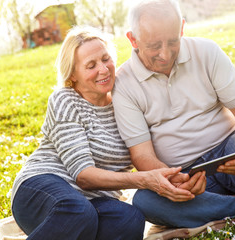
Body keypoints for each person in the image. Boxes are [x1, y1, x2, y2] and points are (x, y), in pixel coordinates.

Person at [112, 0, 235, 228]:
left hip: (230, 151)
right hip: (183, 174)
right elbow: (141, 155)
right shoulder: (123, 84)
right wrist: (171, 179)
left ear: (181, 27)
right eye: (154, 46)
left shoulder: (206, 52)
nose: (165, 54)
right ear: (133, 39)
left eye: (172, 41)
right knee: (146, 201)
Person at [11, 25, 191, 240]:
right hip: (41, 188)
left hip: (94, 203)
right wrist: (144, 180)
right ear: (73, 75)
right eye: (91, 65)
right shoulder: (65, 100)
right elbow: (84, 176)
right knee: (77, 211)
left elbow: (149, 149)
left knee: (130, 219)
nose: (104, 69)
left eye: (106, 59)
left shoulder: (127, 104)